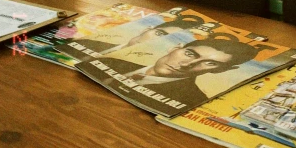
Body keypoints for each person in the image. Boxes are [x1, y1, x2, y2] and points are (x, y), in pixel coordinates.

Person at [103, 37, 260, 108]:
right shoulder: (112, 62)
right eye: (190, 54)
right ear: (175, 48)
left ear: (221, 70)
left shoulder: (192, 102)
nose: (187, 64)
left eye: (210, 63)